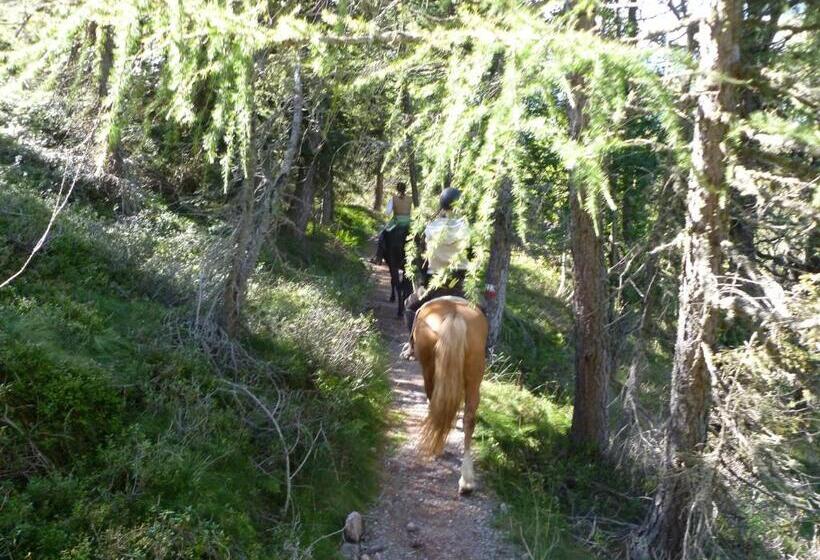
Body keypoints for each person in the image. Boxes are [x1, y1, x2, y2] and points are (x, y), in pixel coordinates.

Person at [402, 187, 470, 356]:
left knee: (410, 306)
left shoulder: (430, 228)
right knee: (483, 310)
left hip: (435, 285)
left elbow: (422, 259)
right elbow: (473, 257)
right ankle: (486, 351)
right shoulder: (467, 229)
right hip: (460, 284)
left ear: (442, 204)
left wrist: (421, 283)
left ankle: (412, 346)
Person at [371, 182, 412, 264]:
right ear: (405, 189)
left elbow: (388, 212)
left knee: (382, 235)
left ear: (397, 189)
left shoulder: (393, 199)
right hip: (408, 222)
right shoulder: (410, 199)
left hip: (397, 222)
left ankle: (378, 258)